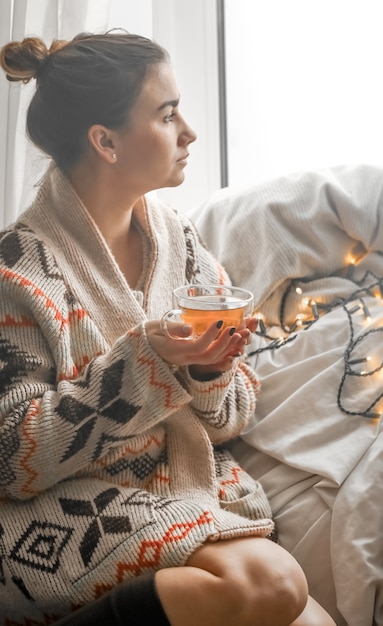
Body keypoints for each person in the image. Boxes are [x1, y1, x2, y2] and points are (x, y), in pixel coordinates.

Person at [0, 31, 336, 625]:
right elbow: (12, 455)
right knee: (274, 584)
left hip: (180, 486)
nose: (189, 132)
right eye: (167, 114)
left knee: (313, 620)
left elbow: (231, 417)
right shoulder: (16, 271)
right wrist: (144, 364)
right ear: (104, 141)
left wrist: (207, 368)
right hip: (59, 512)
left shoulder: (179, 241)